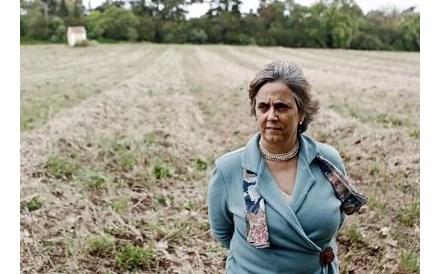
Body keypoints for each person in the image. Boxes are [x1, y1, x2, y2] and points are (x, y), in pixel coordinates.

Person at [207, 60, 366, 274]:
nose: (271, 116)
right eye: (263, 107)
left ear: (301, 114)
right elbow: (223, 232)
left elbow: (336, 220)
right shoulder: (229, 169)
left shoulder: (327, 162)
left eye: (281, 106)